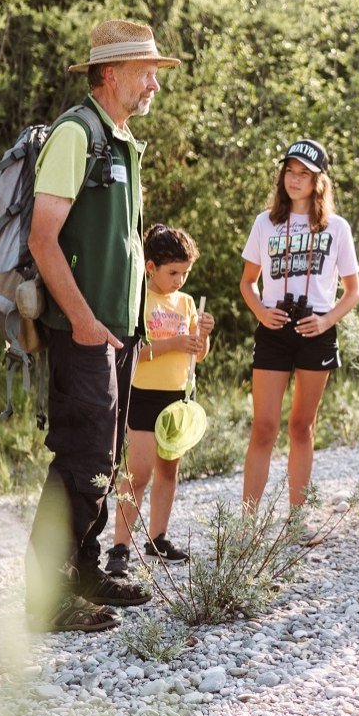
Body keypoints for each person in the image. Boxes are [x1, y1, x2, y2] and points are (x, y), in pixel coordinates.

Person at [27, 18, 176, 633]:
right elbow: (43, 239)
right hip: (81, 332)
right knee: (80, 458)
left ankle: (85, 571)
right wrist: (85, 322)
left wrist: (129, 327)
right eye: (147, 74)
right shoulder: (76, 133)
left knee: (106, 457)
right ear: (111, 74)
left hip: (115, 333)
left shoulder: (118, 139)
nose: (154, 87)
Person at [238, 140, 359, 529]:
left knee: (301, 426)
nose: (294, 179)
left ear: (318, 180)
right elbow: (247, 283)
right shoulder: (265, 222)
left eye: (304, 173)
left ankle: (298, 520)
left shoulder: (337, 228)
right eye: (289, 171)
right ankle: (247, 522)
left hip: (317, 331)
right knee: (265, 426)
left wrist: (326, 322)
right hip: (274, 331)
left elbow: (353, 290)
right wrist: (261, 311)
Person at [106, 224, 213, 576]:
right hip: (144, 394)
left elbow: (198, 356)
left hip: (178, 396)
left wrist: (202, 336)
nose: (180, 280)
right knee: (139, 471)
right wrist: (173, 344)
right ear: (150, 267)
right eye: (173, 273)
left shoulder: (184, 303)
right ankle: (120, 546)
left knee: (169, 469)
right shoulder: (137, 301)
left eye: (185, 273)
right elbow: (132, 353)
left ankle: (158, 539)